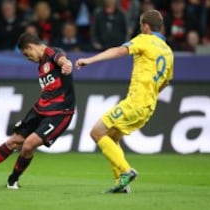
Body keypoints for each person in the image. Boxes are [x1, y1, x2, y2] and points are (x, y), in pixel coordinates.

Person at [76, 9, 174, 193]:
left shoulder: (144, 39)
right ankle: (120, 184)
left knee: (96, 133)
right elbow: (166, 81)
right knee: (112, 137)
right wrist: (150, 93)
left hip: (135, 102)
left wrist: (90, 60)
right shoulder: (168, 52)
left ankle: (127, 171)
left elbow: (120, 51)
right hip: (148, 106)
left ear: (146, 26)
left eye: (140, 26)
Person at [0, 32, 75, 190]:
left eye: (27, 54)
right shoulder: (40, 64)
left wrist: (66, 64)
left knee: (28, 145)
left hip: (59, 113)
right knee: (13, 141)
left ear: (31, 47)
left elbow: (60, 58)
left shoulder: (51, 53)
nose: (28, 58)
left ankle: (13, 180)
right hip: (40, 109)